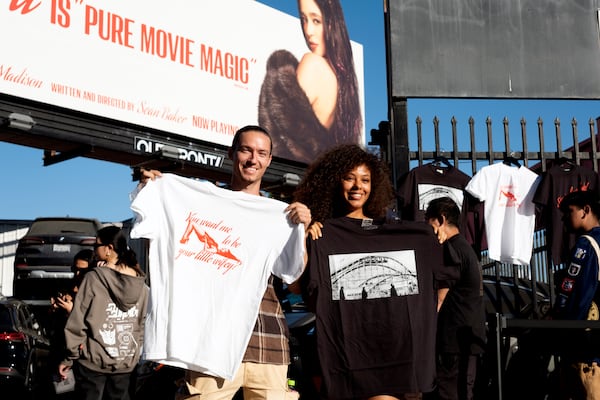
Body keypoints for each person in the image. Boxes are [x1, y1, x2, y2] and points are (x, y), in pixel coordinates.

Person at [134, 125, 311, 400]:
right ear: (232, 154)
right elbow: (161, 247)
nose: (254, 159)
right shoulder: (198, 204)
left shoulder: (280, 215)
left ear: (269, 160)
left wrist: (301, 233)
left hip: (267, 340)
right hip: (210, 341)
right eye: (246, 150)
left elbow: (296, 283)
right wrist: (155, 191)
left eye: (262, 153)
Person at [293, 144, 452, 400]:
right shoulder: (322, 234)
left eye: (365, 180)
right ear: (335, 182)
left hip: (402, 358)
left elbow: (446, 277)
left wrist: (426, 312)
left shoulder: (403, 233)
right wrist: (304, 238)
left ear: (374, 185)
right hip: (350, 361)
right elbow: (300, 290)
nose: (358, 186)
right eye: (349, 178)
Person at [258, 0, 362, 163]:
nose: (308, 31)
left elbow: (281, 135)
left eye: (316, 20)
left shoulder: (313, 64)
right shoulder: (344, 82)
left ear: (332, 23)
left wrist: (277, 75)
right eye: (303, 19)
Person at [58, 225, 149, 400]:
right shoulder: (141, 285)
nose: (94, 250)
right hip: (126, 363)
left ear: (109, 248)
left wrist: (69, 358)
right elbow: (142, 323)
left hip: (94, 363)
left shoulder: (93, 279)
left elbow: (78, 320)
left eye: (96, 246)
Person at [424, 197, 486, 400]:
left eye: (429, 222)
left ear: (440, 220)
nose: (428, 229)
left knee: (449, 393)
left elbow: (438, 301)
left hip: (452, 341)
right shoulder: (465, 249)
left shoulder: (451, 250)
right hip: (467, 338)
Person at [553, 190, 600, 400]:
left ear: (585, 211)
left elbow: (573, 294)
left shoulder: (586, 244)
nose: (563, 218)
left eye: (568, 211)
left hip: (587, 350)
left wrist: (561, 325)